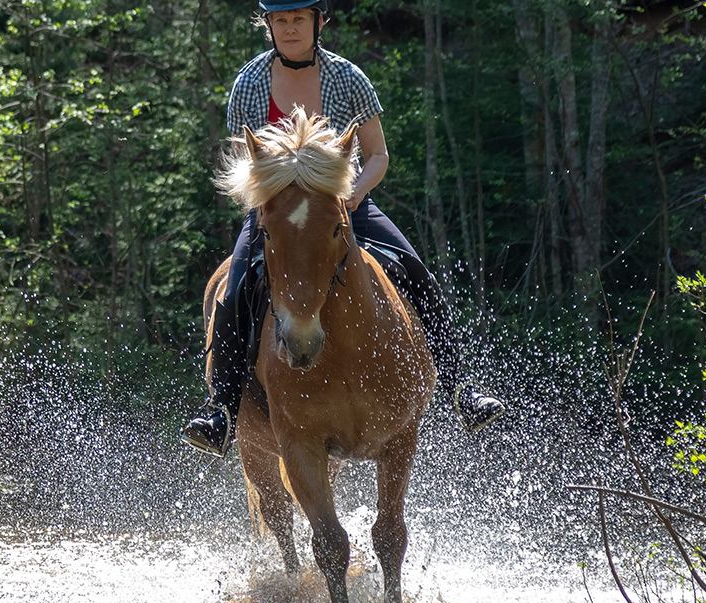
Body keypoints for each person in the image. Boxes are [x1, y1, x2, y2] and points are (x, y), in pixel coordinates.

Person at [181, 0, 504, 457]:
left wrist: (353, 193)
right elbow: (243, 165)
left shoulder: (349, 77)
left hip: (345, 207)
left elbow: (378, 156)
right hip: (276, 215)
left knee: (416, 271)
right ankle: (221, 412)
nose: (290, 28)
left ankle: (460, 389)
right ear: (268, 25)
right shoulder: (248, 83)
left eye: (298, 19)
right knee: (232, 293)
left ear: (318, 21)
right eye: (280, 20)